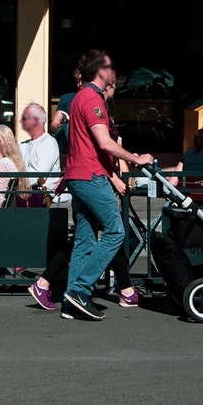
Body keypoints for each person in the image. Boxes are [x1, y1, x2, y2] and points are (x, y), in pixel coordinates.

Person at [52, 50, 152, 321]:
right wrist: (136, 158)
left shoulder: (78, 99)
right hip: (91, 176)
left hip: (78, 175)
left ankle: (71, 301)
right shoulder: (93, 100)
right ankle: (81, 290)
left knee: (84, 239)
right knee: (115, 232)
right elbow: (105, 142)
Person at [18, 102, 61, 194]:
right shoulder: (24, 145)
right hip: (26, 193)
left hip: (39, 198)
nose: (21, 121)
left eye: (24, 118)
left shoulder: (48, 143)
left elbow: (38, 177)